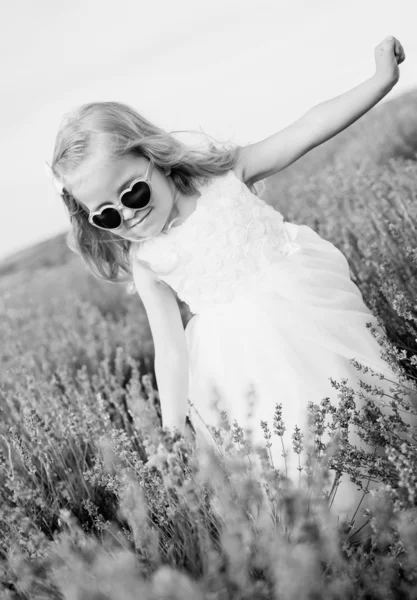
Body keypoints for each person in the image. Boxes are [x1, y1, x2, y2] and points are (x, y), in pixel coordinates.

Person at [45, 36, 415, 537]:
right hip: (239, 368)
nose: (128, 213)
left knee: (361, 408)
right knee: (294, 459)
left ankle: (397, 492)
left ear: (152, 156)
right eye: (108, 214)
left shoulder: (224, 177)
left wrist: (379, 80)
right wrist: (173, 432)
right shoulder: (147, 260)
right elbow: (170, 352)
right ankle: (348, 542)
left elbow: (306, 129)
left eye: (132, 190)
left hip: (309, 319)